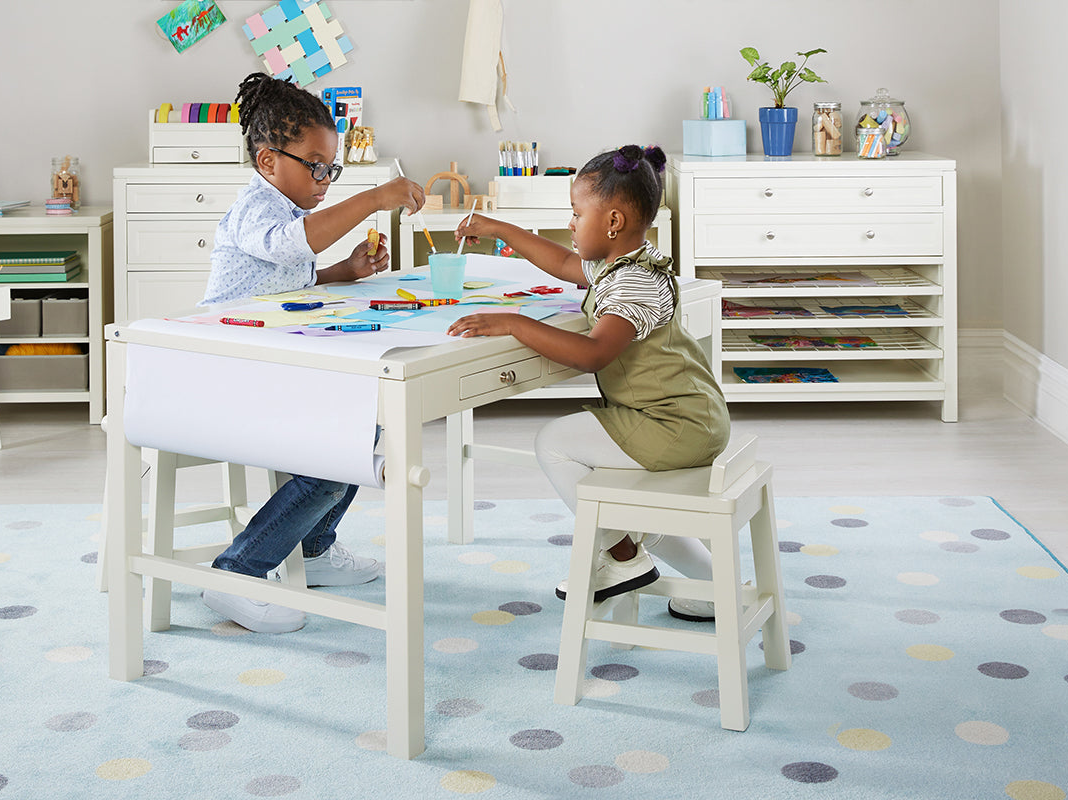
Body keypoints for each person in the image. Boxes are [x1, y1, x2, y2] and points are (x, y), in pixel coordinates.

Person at [447, 144, 730, 621]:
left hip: (672, 424)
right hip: (690, 417)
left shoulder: (632, 283)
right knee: (622, 501)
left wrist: (516, 323)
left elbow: (593, 354)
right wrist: (496, 228)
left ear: (613, 222)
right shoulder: (627, 264)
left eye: (577, 214)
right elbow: (561, 263)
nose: (572, 225)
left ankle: (623, 557)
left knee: (554, 443)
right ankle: (714, 586)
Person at [198, 72, 425, 632]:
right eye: (315, 166)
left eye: (332, 169)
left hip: (272, 365)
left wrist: (343, 272)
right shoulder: (257, 208)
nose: (325, 180)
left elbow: (284, 276)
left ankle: (315, 550)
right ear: (267, 161)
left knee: (358, 436)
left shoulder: (288, 213)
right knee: (331, 460)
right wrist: (373, 199)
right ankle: (238, 572)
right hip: (229, 371)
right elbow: (288, 246)